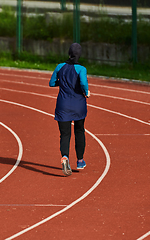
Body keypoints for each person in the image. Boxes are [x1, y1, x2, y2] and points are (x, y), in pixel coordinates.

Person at [49, 43, 90, 176]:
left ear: (69, 53)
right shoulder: (81, 69)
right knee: (79, 131)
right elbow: (83, 83)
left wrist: (62, 83)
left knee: (65, 134)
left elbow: (51, 83)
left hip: (63, 105)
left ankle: (65, 157)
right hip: (79, 105)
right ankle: (80, 160)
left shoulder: (60, 67)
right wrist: (86, 92)